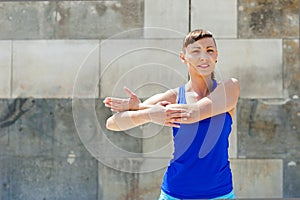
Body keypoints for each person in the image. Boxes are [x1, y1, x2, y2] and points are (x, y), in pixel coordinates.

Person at [103, 29, 240, 200]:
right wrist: (148, 114)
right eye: (196, 51)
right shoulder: (174, 97)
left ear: (216, 55)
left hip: (220, 194)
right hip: (175, 194)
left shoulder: (229, 88)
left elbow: (193, 113)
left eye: (209, 50)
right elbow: (112, 123)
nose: (204, 57)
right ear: (184, 57)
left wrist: (141, 108)